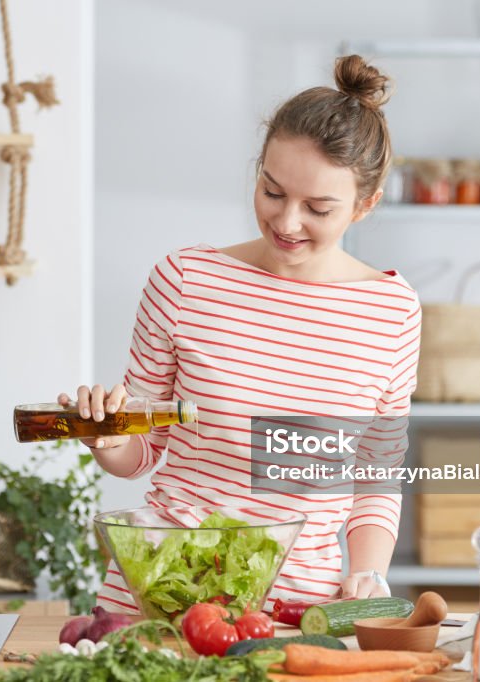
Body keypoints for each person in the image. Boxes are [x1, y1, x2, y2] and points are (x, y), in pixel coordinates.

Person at [60, 54, 421, 614]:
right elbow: (143, 451)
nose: (287, 222)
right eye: (272, 192)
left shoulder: (392, 311)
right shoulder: (184, 280)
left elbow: (377, 472)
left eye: (318, 207)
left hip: (296, 614)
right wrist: (105, 437)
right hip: (163, 591)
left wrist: (370, 572)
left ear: (365, 205)